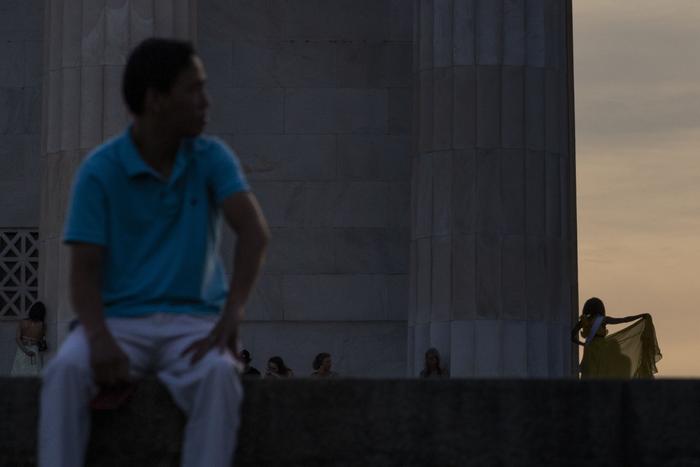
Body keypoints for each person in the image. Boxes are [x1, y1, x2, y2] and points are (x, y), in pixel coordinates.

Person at [38, 38, 269, 467]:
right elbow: (84, 272)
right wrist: (100, 339)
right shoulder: (100, 171)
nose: (206, 101)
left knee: (219, 376)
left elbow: (254, 231)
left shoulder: (212, 158)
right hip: (119, 321)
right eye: (194, 89)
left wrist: (233, 312)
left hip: (192, 323)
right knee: (64, 372)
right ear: (156, 99)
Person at [571, 297, 662, 378]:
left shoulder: (583, 320)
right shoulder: (603, 319)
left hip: (589, 349)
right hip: (602, 348)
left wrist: (583, 344)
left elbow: (572, 337)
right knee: (603, 371)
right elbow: (623, 320)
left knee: (589, 371)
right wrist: (640, 316)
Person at [11, 301, 47, 376]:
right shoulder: (42, 325)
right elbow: (40, 339)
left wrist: (26, 350)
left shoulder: (23, 322)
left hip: (22, 349)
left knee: (19, 372)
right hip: (34, 350)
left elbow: (17, 339)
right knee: (34, 372)